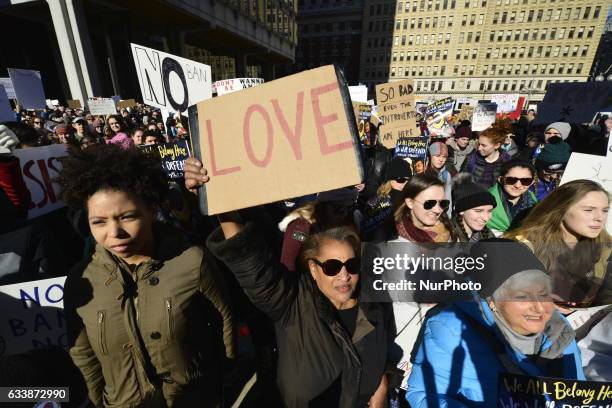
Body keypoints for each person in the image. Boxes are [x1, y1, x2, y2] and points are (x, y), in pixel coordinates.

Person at [60, 145, 234, 407]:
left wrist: (216, 392)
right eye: (99, 222)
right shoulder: (79, 280)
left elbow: (226, 329)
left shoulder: (192, 261)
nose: (114, 232)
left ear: (151, 210)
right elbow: (84, 356)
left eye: (127, 217)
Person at [204, 209, 396, 407]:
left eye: (352, 264)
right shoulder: (295, 303)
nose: (344, 275)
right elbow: (252, 266)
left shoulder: (374, 306)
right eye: (332, 267)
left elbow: (382, 354)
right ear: (313, 269)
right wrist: (222, 206)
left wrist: (382, 381)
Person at [406, 240, 585, 407]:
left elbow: (579, 394)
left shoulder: (560, 331)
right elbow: (424, 395)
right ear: (492, 300)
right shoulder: (449, 326)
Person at [504, 180, 611, 307]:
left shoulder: (605, 246)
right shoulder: (521, 247)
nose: (599, 218)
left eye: (605, 210)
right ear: (561, 209)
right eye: (588, 210)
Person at [278, 187, 358, 272]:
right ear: (322, 207)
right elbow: (287, 265)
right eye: (337, 208)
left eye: (348, 208)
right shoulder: (301, 228)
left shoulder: (344, 226)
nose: (344, 213)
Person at [392, 174, 455, 243]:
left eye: (442, 203)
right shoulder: (393, 243)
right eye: (429, 203)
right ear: (410, 203)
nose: (437, 210)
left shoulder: (448, 231)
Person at [361, 157, 411, 242]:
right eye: (401, 179)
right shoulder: (381, 201)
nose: (405, 183)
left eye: (408, 180)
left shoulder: (406, 198)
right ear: (389, 180)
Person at [487, 159, 538, 236]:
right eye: (511, 180)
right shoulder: (484, 201)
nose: (517, 185)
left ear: (532, 182)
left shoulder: (533, 201)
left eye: (526, 181)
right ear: (501, 179)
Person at [461, 119, 512, 188]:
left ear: (497, 145)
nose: (479, 148)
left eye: (484, 145)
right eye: (479, 144)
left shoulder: (507, 161)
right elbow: (460, 181)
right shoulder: (471, 158)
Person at [450, 174, 496, 242]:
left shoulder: (488, 236)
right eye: (478, 211)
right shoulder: (445, 236)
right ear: (461, 210)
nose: (486, 218)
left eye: (489, 211)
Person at [424, 141, 455, 215]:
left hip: (438, 212)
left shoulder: (446, 175)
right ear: (430, 156)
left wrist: (448, 216)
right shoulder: (422, 172)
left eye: (444, 157)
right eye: (437, 156)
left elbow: (447, 197)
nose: (441, 160)